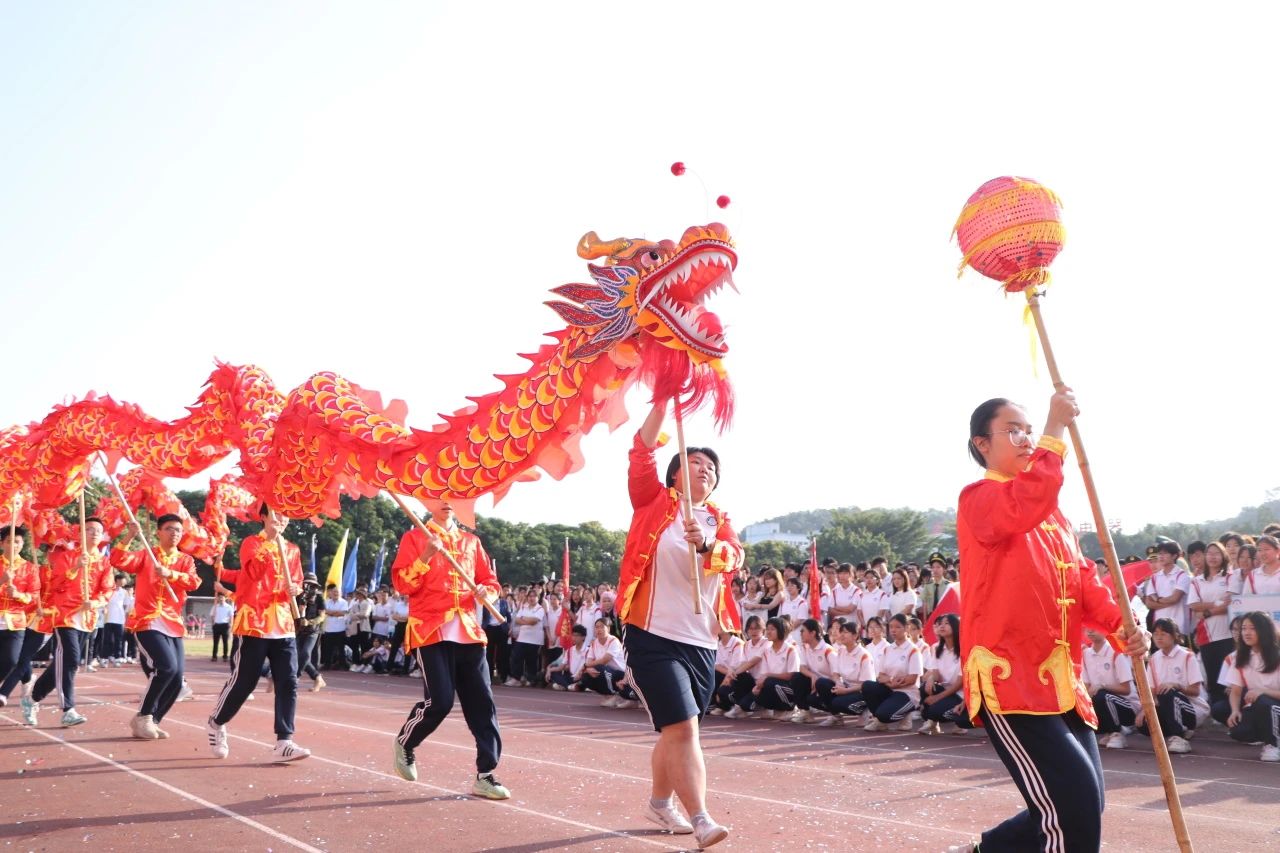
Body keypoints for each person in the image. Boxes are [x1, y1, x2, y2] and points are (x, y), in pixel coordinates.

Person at [952, 390, 1147, 853]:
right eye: (1013, 431)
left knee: (1083, 803)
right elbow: (1027, 499)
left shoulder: (1054, 518)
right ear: (982, 444)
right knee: (1071, 807)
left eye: (1029, 430)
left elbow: (1083, 582)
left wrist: (1121, 626)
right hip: (1009, 679)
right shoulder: (980, 498)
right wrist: (1054, 429)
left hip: (1061, 682)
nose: (1026, 439)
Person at [613, 400, 744, 848]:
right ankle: (702, 818)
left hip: (701, 642)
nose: (705, 469)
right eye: (695, 462)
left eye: (711, 467)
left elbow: (734, 558)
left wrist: (706, 543)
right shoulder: (651, 502)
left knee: (677, 730)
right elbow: (641, 450)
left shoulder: (720, 522)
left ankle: (658, 801)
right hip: (651, 636)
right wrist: (662, 401)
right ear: (674, 475)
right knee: (684, 728)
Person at [390, 499, 509, 800]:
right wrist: (426, 556)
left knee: (483, 705)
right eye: (439, 496)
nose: (446, 502)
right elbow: (403, 584)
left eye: (453, 497)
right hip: (430, 630)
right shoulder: (414, 538)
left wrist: (487, 592)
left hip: (469, 632)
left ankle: (486, 774)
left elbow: (491, 582)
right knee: (440, 702)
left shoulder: (471, 542)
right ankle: (406, 742)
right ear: (428, 502)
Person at [207, 506, 310, 762]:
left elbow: (296, 582)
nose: (282, 518)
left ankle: (284, 741)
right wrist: (270, 542)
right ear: (264, 516)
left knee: (288, 681)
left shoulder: (293, 549)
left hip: (283, 624)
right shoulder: (251, 543)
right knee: (245, 682)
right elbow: (253, 572)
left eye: (286, 514)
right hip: (255, 622)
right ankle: (216, 722)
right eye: (276, 513)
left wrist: (295, 589)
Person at [109, 514, 201, 739]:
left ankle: (153, 720)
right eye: (169, 528)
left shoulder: (185, 560)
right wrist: (130, 536)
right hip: (147, 620)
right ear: (159, 532)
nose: (174, 533)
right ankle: (144, 716)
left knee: (177, 679)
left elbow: (194, 582)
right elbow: (118, 560)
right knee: (166, 667)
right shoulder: (146, 555)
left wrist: (171, 574)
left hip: (172, 622)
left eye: (178, 529)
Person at [27, 516, 115, 727]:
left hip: (87, 618)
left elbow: (108, 589)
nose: (94, 533)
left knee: (64, 663)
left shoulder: (104, 562)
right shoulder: (67, 557)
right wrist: (75, 567)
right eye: (89, 529)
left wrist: (95, 602)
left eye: (98, 530)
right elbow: (55, 584)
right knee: (72, 660)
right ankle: (68, 709)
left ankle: (32, 698)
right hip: (65, 616)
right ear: (81, 534)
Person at [1133, 619, 1207, 754]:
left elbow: (1195, 691)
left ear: (1174, 636)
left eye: (1163, 634)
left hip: (1191, 707)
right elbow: (1151, 690)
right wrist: (1144, 710)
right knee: (1144, 725)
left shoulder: (1187, 656)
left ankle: (1179, 736)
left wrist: (1176, 685)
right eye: (1156, 634)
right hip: (1165, 704)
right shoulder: (1154, 659)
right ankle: (1179, 730)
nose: (1159, 637)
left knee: (1166, 692)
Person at [1220, 610, 1280, 762]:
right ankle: (1269, 735)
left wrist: (1262, 691)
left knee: (1263, 701)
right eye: (1244, 628)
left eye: (1252, 628)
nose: (1246, 633)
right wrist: (1234, 710)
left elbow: (1263, 695)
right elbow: (1235, 691)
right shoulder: (1240, 657)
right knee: (1238, 731)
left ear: (1264, 630)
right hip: (1259, 706)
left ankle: (1273, 745)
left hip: (1273, 705)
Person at [1187, 541, 1233, 706]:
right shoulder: (1197, 581)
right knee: (1213, 677)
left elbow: (1230, 603)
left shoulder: (1230, 577)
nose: (1212, 557)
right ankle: (1217, 711)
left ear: (1223, 556)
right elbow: (1193, 605)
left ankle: (1232, 710)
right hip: (1206, 635)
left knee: (1229, 677)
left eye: (1216, 553)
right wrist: (1216, 603)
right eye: (1209, 553)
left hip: (1228, 634)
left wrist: (1206, 612)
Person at [861, 613, 922, 731]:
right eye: (891, 627)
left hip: (906, 693)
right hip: (890, 689)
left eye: (898, 627)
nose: (893, 630)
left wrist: (892, 681)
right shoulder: (888, 649)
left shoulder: (913, 650)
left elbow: (912, 679)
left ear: (906, 628)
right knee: (868, 686)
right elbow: (880, 676)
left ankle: (905, 714)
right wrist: (891, 681)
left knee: (885, 715)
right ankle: (880, 721)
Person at [0, 526, 39, 707]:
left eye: (17, 542)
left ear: (22, 544)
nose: (13, 545)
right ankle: (26, 678)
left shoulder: (29, 568)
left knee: (11, 660)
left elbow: (34, 596)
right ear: (2, 543)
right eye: (9, 541)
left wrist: (18, 595)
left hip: (15, 622)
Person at [1082, 628, 1138, 749]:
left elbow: (1126, 689)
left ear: (1105, 630)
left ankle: (1117, 733)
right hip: (1103, 699)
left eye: (1094, 627)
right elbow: (1087, 687)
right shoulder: (1085, 654)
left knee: (1103, 695)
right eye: (1087, 628)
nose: (1090, 631)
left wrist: (1102, 685)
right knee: (1088, 699)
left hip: (1128, 706)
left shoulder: (1116, 652)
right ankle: (1108, 731)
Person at [919, 613, 971, 735]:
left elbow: (959, 684)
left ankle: (959, 721)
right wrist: (931, 678)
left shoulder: (964, 649)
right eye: (940, 624)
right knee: (925, 687)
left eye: (947, 623)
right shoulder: (936, 647)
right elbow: (936, 674)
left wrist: (937, 698)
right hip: (945, 689)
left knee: (935, 711)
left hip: (960, 695)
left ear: (956, 627)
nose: (942, 626)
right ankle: (932, 723)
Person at [816, 620, 875, 727]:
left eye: (846, 632)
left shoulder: (864, 655)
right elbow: (835, 673)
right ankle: (836, 717)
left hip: (860, 692)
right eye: (841, 632)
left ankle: (864, 710)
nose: (842, 635)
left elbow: (867, 685)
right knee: (820, 684)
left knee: (837, 703)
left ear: (855, 635)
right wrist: (838, 682)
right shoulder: (841, 651)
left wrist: (845, 691)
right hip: (845, 688)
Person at [717, 615, 767, 716]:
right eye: (751, 628)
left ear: (763, 629)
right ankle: (738, 706)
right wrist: (730, 675)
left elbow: (752, 662)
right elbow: (742, 663)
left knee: (740, 675)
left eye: (757, 628)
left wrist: (733, 674)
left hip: (762, 682)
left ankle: (754, 705)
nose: (753, 631)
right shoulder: (747, 644)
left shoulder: (766, 642)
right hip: (751, 681)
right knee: (723, 690)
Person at [789, 618, 835, 723]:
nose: (800, 633)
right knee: (797, 677)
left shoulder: (828, 650)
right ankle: (805, 712)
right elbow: (802, 667)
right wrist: (813, 676)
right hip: (814, 683)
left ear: (813, 633)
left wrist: (819, 681)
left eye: (803, 631)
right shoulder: (805, 647)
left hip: (828, 686)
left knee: (821, 684)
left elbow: (836, 675)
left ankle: (835, 715)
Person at [1142, 541, 1191, 636]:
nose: (1161, 556)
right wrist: (1166, 601)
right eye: (1160, 553)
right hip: (1159, 629)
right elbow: (1149, 603)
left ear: (1174, 556)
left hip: (1178, 628)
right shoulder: (1155, 577)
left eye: (1165, 553)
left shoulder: (1182, 576)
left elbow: (1175, 598)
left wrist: (1157, 600)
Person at [580, 616, 628, 702]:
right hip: (607, 672)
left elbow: (604, 660)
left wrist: (586, 665)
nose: (599, 629)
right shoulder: (594, 643)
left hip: (620, 674)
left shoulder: (614, 641)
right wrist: (588, 668)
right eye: (596, 627)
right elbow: (589, 660)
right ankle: (607, 695)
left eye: (602, 627)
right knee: (586, 676)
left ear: (608, 629)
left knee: (600, 668)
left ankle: (615, 695)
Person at [507, 586, 545, 687]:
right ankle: (516, 678)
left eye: (534, 596)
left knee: (532, 660)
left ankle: (531, 679)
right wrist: (527, 620)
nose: (531, 598)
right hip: (522, 638)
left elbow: (534, 621)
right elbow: (517, 620)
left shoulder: (540, 609)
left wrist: (523, 618)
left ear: (537, 598)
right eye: (530, 596)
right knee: (516, 657)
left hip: (535, 640)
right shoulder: (524, 607)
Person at [294, 573, 326, 691]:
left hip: (313, 631)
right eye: (306, 584)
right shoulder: (298, 596)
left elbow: (322, 616)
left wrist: (309, 622)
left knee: (305, 654)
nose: (309, 587)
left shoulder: (319, 597)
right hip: (299, 631)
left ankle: (296, 677)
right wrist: (299, 612)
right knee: (298, 656)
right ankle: (317, 678)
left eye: (312, 585)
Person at [546, 624, 589, 690]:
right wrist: (549, 670)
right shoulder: (569, 650)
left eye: (577, 635)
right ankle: (570, 687)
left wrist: (580, 674)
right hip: (571, 677)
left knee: (588, 677)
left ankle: (565, 686)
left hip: (581, 677)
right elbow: (561, 667)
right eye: (573, 635)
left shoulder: (589, 651)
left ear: (583, 637)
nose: (574, 638)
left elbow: (590, 667)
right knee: (553, 673)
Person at [321, 583, 348, 670]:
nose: (335, 593)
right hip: (328, 629)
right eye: (334, 592)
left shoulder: (344, 602)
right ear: (331, 593)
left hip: (340, 629)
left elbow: (343, 613)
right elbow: (325, 611)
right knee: (328, 649)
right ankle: (327, 665)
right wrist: (335, 612)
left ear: (340, 593)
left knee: (341, 649)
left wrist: (330, 612)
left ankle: (342, 665)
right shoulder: (326, 602)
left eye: (337, 592)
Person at [918, 553, 951, 620]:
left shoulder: (948, 585)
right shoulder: (928, 585)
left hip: (944, 617)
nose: (935, 570)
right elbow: (925, 605)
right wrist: (925, 621)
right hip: (930, 617)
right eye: (933, 567)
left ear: (944, 569)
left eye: (938, 567)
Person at [209, 592, 234, 662]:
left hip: (225, 625)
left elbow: (231, 616)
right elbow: (211, 615)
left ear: (225, 598)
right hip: (216, 625)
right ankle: (214, 656)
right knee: (215, 642)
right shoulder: (215, 606)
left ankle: (225, 656)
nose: (221, 599)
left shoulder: (229, 607)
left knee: (225, 642)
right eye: (219, 597)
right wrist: (212, 623)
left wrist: (230, 624)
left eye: (222, 597)